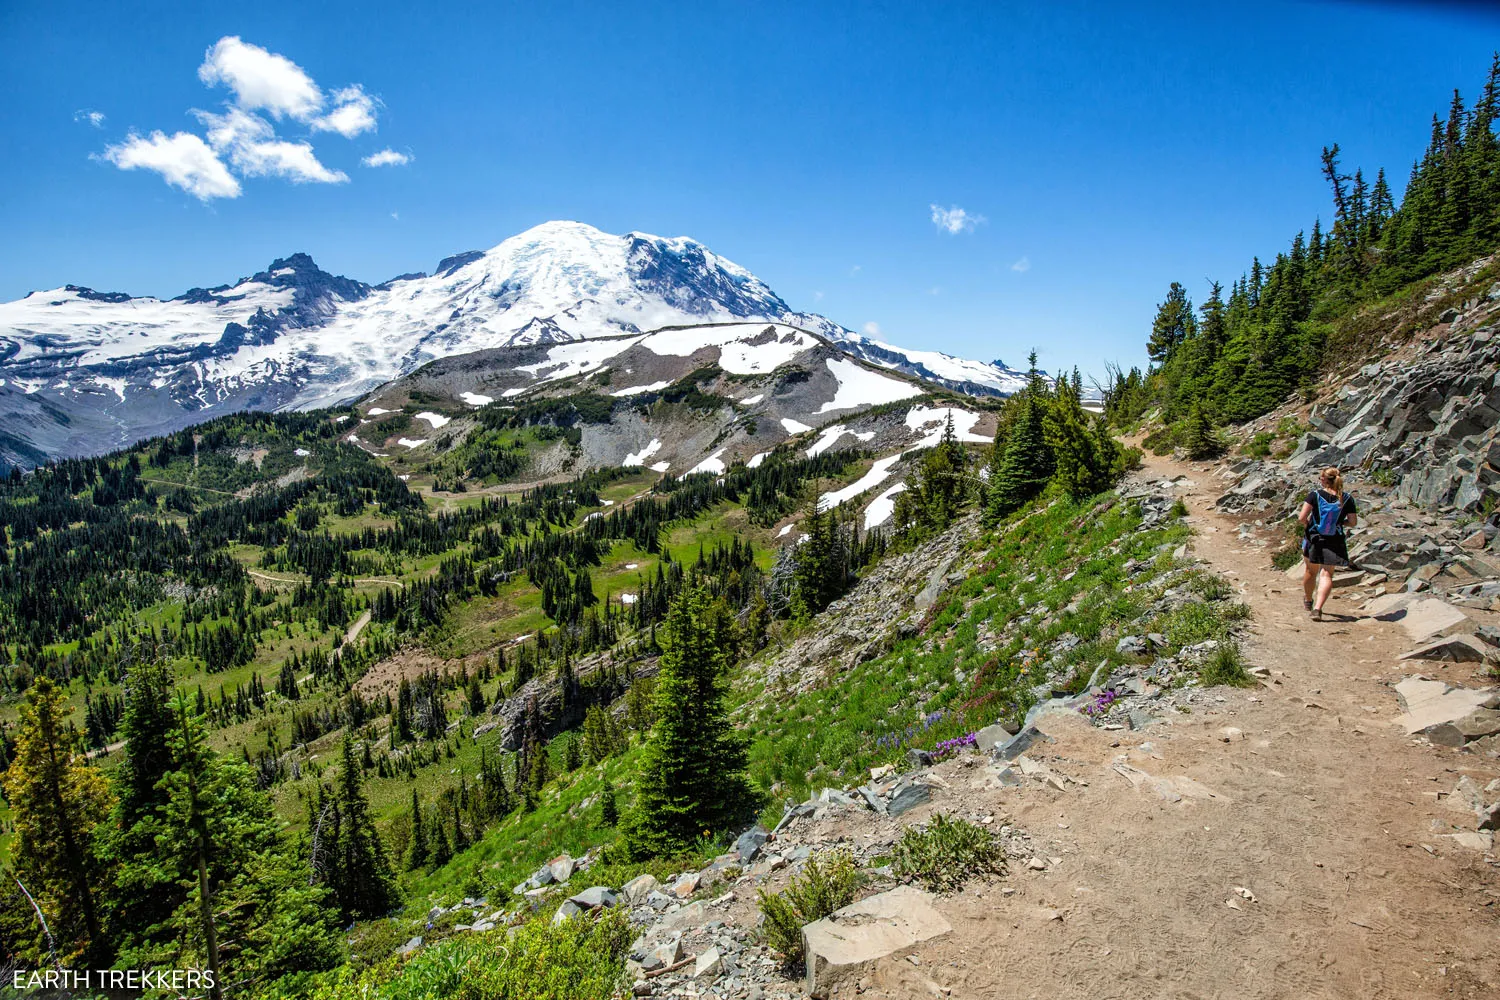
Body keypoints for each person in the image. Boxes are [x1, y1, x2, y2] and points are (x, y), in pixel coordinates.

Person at [1299, 465, 1358, 621]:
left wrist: (1309, 525)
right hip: (1334, 539)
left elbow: (1301, 517)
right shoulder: (1346, 498)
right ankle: (1318, 609)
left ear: (1324, 480)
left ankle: (1308, 599)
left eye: (1320, 477)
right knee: (1326, 574)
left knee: (1310, 571)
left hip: (1314, 538)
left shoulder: (1315, 495)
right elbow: (1353, 522)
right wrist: (1340, 524)